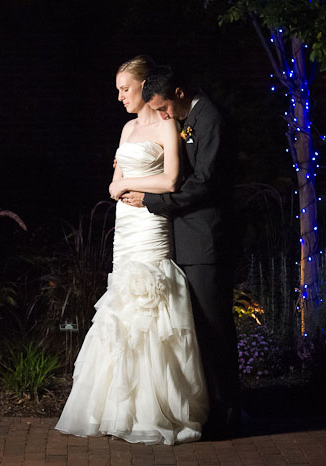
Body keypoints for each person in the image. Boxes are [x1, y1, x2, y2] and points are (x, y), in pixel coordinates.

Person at [55, 56, 208, 445]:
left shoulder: (168, 125)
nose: (120, 96)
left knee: (151, 308)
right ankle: (119, 407)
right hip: (125, 225)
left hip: (150, 221)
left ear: (144, 87)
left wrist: (129, 185)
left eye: (126, 88)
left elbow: (171, 179)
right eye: (118, 89)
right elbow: (115, 180)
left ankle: (154, 409)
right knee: (122, 309)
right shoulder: (126, 128)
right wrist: (119, 186)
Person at [121, 65, 240, 439]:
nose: (165, 116)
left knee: (215, 327)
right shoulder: (191, 115)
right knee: (197, 330)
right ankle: (208, 408)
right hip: (184, 238)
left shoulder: (211, 119)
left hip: (206, 239)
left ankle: (228, 415)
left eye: (165, 108)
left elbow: (205, 183)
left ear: (179, 92)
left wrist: (154, 201)